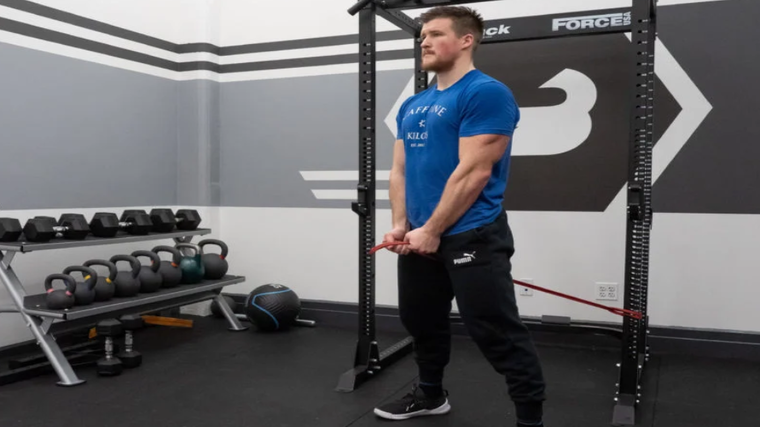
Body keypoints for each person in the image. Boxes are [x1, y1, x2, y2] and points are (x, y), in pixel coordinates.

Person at [372, 6, 547, 427]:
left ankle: (530, 420)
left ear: (467, 40)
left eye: (434, 34)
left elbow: (474, 171)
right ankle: (431, 395)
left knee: (495, 332)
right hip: (418, 238)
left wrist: (433, 229)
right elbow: (400, 170)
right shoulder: (414, 104)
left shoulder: (485, 93)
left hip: (472, 235)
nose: (424, 42)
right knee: (421, 321)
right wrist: (402, 224)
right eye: (421, 37)